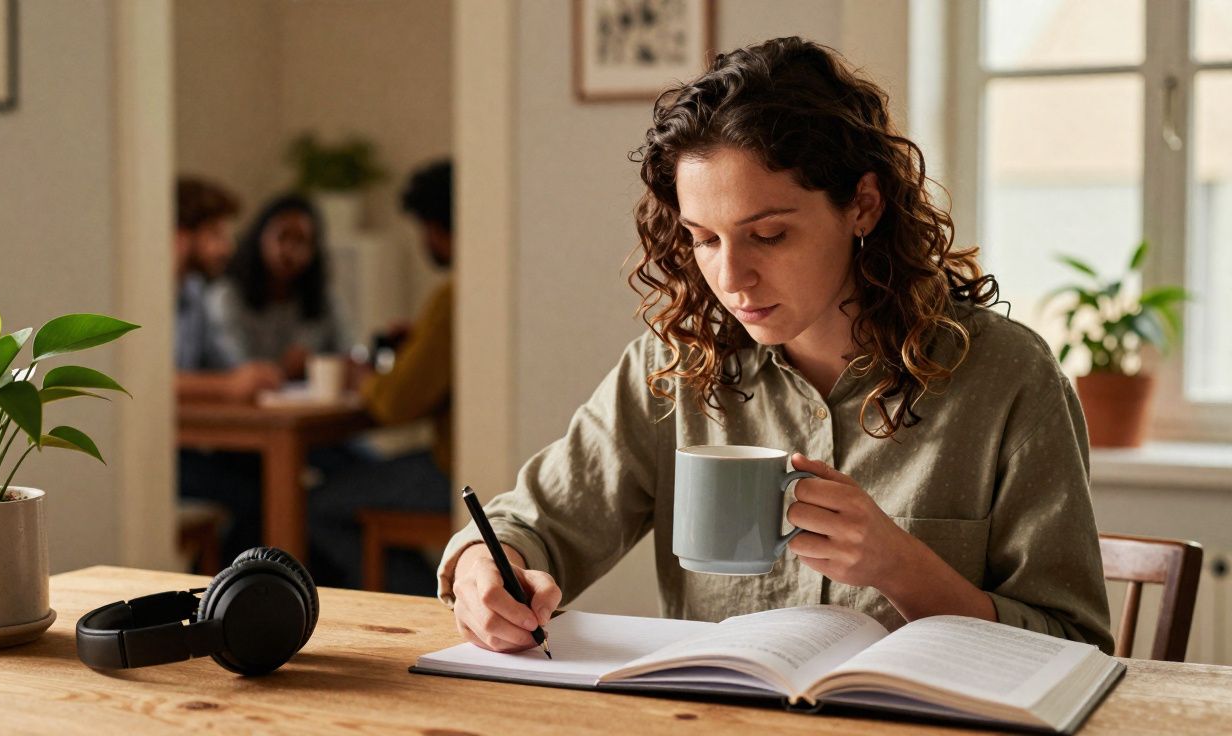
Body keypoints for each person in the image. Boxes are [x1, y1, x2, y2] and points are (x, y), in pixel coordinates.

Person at [438, 38, 1114, 655]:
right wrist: (481, 571)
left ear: (864, 206)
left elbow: (1075, 646)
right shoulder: (675, 367)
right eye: (705, 239)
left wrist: (898, 567)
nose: (731, 278)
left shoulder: (1009, 379)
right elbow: (531, 524)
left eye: (768, 236)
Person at [307, 160, 455, 592]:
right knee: (354, 469)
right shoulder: (476, 288)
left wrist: (361, 380)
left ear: (435, 226)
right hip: (459, 464)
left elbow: (394, 403)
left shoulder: (451, 296)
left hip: (451, 468)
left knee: (317, 505)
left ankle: (419, 599)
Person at [173, 176, 282, 565]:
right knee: (255, 495)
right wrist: (227, 386)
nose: (228, 246)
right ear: (181, 236)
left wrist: (250, 375)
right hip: (160, 452)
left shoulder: (195, 293)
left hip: (193, 445)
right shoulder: (144, 294)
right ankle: (223, 594)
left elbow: (226, 364)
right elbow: (150, 381)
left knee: (272, 480)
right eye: (216, 233)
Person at [208, 193, 353, 381]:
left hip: (307, 405)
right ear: (260, 236)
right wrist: (282, 369)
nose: (289, 250)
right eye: (282, 237)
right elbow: (236, 367)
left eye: (301, 241)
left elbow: (349, 352)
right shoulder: (226, 296)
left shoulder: (323, 299)